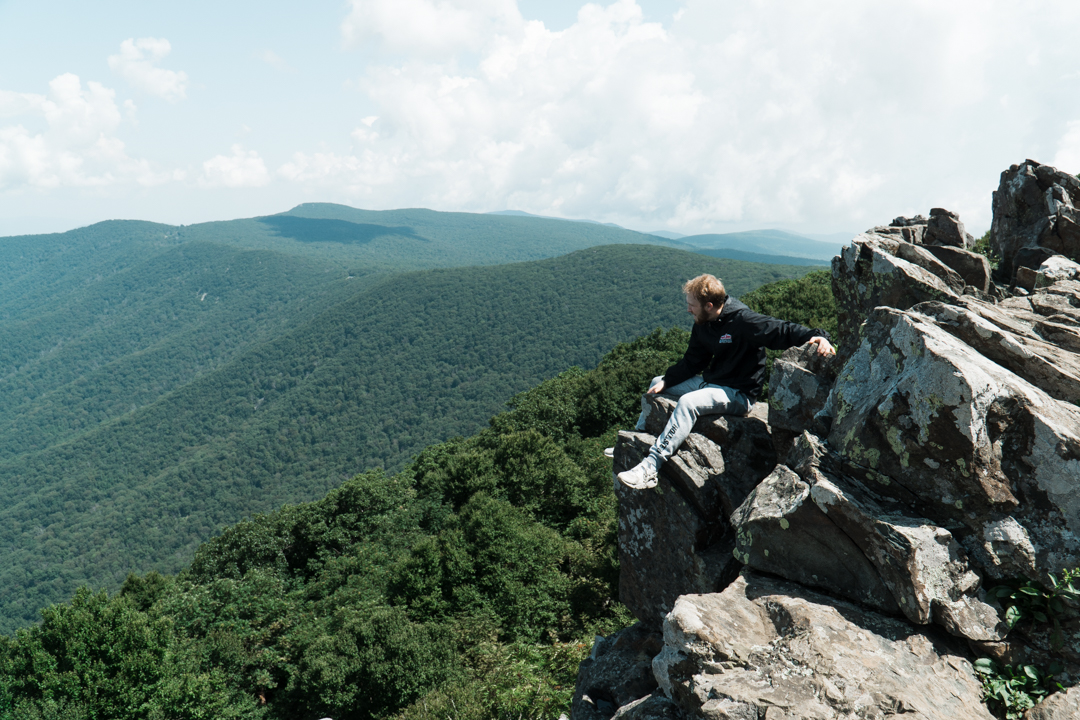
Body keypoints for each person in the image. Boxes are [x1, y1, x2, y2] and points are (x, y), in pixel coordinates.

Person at [617, 273, 834, 489]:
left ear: (709, 305)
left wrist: (819, 335)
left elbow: (781, 329)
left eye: (692, 305)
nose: (688, 309)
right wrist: (668, 380)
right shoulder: (704, 323)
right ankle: (639, 439)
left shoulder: (743, 321)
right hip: (712, 383)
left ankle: (651, 466)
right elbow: (693, 361)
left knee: (688, 403)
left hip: (738, 393)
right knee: (658, 381)